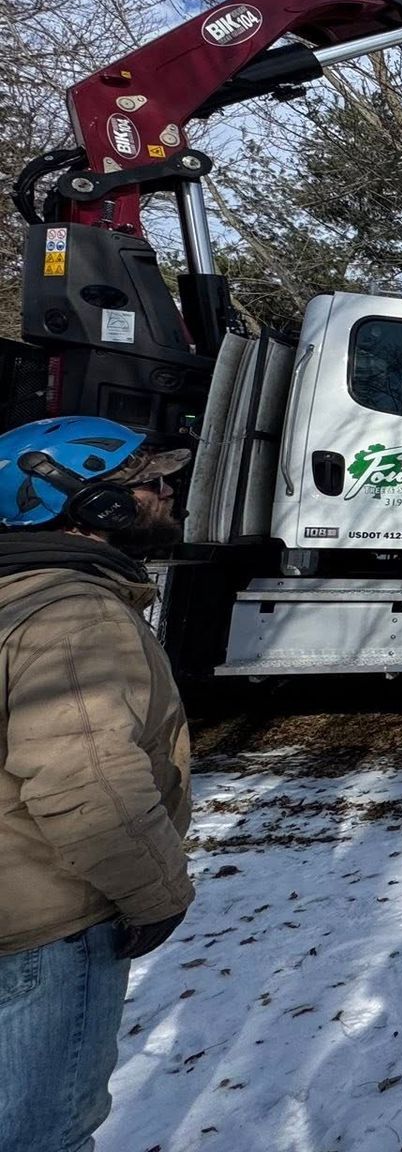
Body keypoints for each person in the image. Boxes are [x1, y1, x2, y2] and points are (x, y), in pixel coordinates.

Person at [0, 416, 194, 1152]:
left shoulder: (19, 593)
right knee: (44, 1133)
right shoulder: (74, 615)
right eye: (148, 482)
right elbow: (87, 785)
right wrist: (158, 893)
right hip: (49, 926)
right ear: (93, 507)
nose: (167, 489)